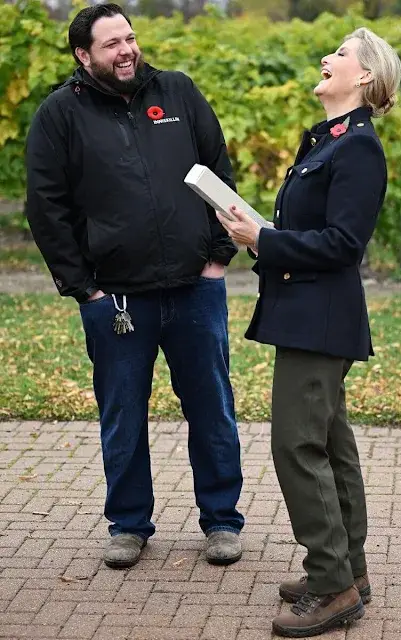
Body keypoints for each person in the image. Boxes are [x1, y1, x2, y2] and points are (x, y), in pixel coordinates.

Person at [26, 3, 244, 569]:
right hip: (117, 298)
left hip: (196, 289)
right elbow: (47, 209)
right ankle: (128, 524)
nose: (127, 50)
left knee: (212, 408)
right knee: (122, 413)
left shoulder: (176, 92)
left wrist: (218, 260)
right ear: (83, 55)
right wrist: (86, 291)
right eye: (111, 44)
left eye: (130, 38)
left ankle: (222, 520)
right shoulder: (59, 114)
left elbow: (219, 172)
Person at [217, 27, 401, 637]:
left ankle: (331, 586)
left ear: (366, 78)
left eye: (341, 55)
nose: (327, 59)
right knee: (331, 445)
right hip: (307, 314)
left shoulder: (357, 149)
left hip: (320, 318)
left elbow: (345, 244)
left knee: (297, 447)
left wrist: (263, 240)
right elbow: (310, 230)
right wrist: (256, 232)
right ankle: (348, 569)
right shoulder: (327, 141)